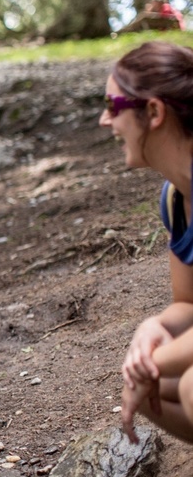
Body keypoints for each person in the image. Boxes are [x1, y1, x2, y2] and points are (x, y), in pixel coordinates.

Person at [109, 41, 193, 445]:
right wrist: (153, 325)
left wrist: (149, 363)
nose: (104, 120)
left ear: (154, 112)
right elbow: (188, 304)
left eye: (113, 106)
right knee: (148, 393)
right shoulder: (176, 197)